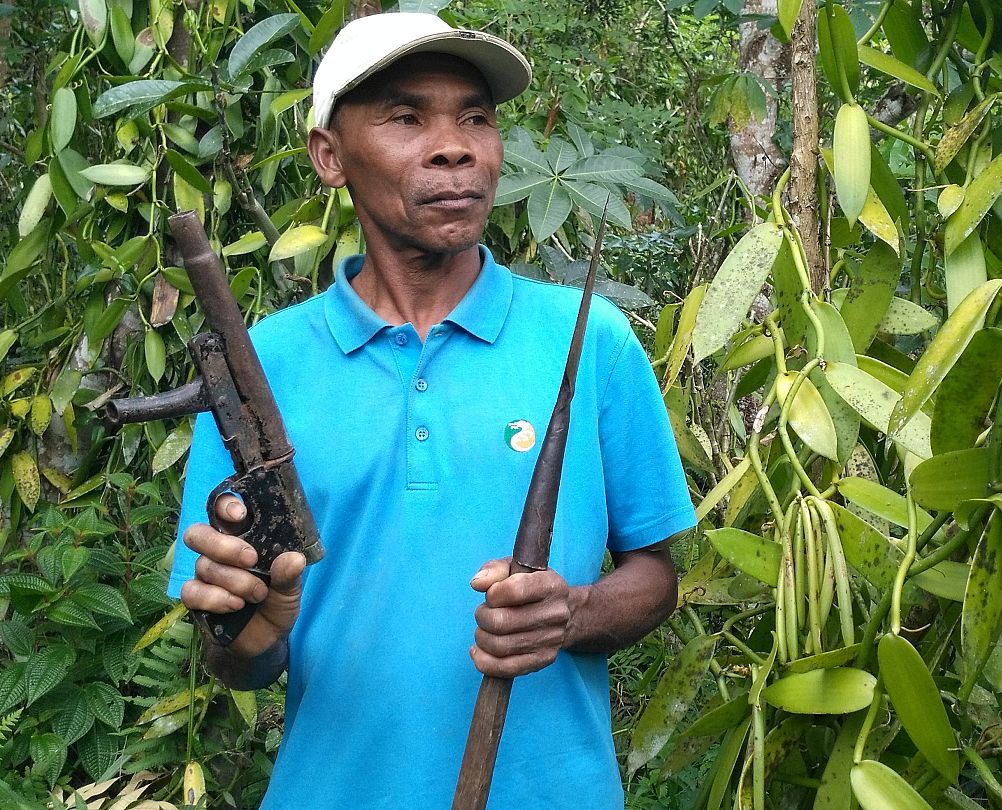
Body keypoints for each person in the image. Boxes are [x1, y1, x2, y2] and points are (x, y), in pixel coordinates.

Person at [166, 12, 696, 808]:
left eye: (475, 118)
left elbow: (654, 578)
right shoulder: (259, 371)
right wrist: (259, 625)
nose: (455, 147)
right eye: (407, 117)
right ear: (329, 156)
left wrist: (571, 612)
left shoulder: (590, 341)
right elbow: (236, 662)